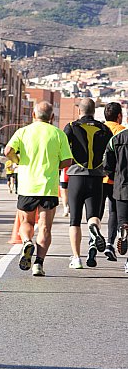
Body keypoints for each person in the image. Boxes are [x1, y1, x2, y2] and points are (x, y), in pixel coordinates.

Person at [4, 101, 72, 277]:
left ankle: (27, 241)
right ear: (52, 117)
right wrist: (53, 166)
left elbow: (7, 150)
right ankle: (38, 264)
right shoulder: (58, 134)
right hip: (48, 188)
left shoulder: (23, 132)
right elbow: (67, 161)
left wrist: (18, 160)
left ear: (33, 115)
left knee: (26, 223)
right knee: (45, 228)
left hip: (27, 186)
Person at [63, 98, 113, 269]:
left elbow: (64, 151)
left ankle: (76, 258)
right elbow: (110, 154)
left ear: (79, 111)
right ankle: (93, 228)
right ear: (94, 111)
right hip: (97, 178)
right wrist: (106, 171)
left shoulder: (71, 127)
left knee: (74, 220)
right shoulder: (105, 129)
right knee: (94, 216)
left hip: (76, 176)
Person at [100, 102, 125, 262]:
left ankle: (93, 244)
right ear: (119, 116)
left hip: (99, 178)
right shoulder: (122, 132)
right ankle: (110, 243)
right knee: (114, 213)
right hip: (117, 180)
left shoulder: (99, 129)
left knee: (96, 212)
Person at [103, 125, 128, 273]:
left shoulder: (117, 138)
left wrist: (115, 177)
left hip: (122, 187)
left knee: (124, 221)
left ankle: (123, 230)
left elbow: (107, 164)